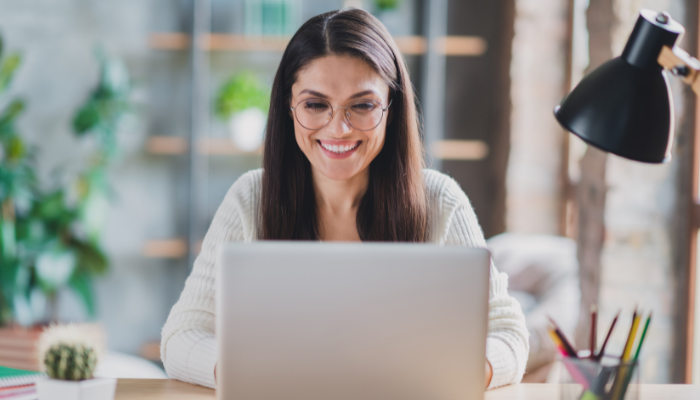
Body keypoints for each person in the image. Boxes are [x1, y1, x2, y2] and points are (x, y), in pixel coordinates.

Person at [160, 7, 528, 390]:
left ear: (391, 107)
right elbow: (180, 337)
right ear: (289, 108)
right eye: (316, 105)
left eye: (363, 105)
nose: (338, 128)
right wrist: (248, 374)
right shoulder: (250, 197)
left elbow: (509, 335)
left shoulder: (440, 201)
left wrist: (446, 375)